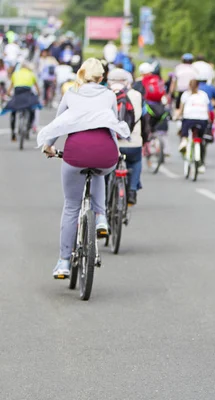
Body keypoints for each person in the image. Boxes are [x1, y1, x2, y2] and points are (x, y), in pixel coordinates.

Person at [37, 58, 130, 279]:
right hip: (105, 152)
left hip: (76, 153)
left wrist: (49, 146)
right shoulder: (108, 95)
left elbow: (59, 123)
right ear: (102, 77)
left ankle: (64, 262)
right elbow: (111, 126)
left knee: (71, 206)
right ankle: (101, 218)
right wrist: (114, 153)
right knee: (98, 171)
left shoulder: (71, 93)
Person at [108, 68, 148, 205]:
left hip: (112, 144)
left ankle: (105, 194)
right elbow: (144, 116)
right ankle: (132, 191)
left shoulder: (105, 94)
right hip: (133, 142)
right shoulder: (137, 95)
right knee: (136, 161)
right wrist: (145, 139)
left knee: (106, 167)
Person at [176, 78, 211, 173]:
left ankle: (184, 140)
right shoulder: (203, 95)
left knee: (184, 128)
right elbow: (207, 110)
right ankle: (201, 163)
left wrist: (176, 116)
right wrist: (209, 120)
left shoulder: (185, 95)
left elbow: (181, 109)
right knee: (200, 140)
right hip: (202, 119)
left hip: (189, 118)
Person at [3, 62, 40, 141]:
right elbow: (37, 87)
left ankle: (13, 133)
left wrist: (8, 94)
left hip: (17, 93)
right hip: (27, 94)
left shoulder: (15, 74)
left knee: (13, 111)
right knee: (32, 109)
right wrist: (38, 94)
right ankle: (28, 127)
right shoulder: (31, 74)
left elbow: (10, 88)